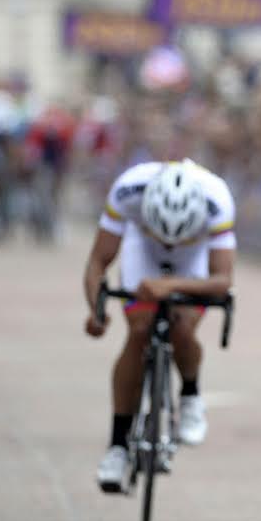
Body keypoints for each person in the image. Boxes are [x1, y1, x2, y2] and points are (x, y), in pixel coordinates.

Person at [81, 160, 236, 493]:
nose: (169, 243)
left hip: (193, 257)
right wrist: (96, 311)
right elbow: (97, 261)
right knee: (139, 332)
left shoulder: (217, 199)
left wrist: (171, 285)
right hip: (143, 248)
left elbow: (223, 279)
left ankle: (191, 394)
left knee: (183, 327)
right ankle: (118, 446)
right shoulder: (128, 190)